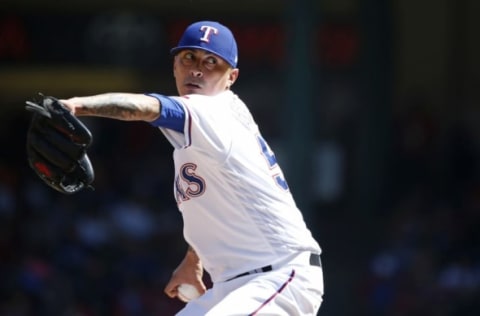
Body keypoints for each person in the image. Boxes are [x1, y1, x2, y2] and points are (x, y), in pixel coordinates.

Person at [61, 20, 324, 316]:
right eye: (189, 58)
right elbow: (224, 205)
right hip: (235, 283)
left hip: (279, 275)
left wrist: (75, 106)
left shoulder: (211, 111)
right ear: (175, 65)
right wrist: (193, 259)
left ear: (231, 77)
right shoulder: (209, 128)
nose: (197, 69)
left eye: (212, 62)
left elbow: (148, 107)